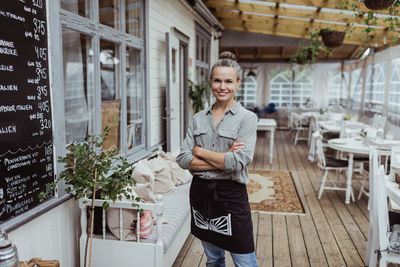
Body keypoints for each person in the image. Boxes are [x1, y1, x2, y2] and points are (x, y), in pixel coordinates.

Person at [176, 51, 259, 267]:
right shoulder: (197, 119)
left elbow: (238, 162)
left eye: (228, 81)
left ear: (238, 83)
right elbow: (183, 159)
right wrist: (224, 158)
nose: (223, 87)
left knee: (246, 262)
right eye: (218, 80)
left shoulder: (247, 119)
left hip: (232, 195)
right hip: (201, 194)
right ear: (211, 82)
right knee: (213, 259)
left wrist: (201, 152)